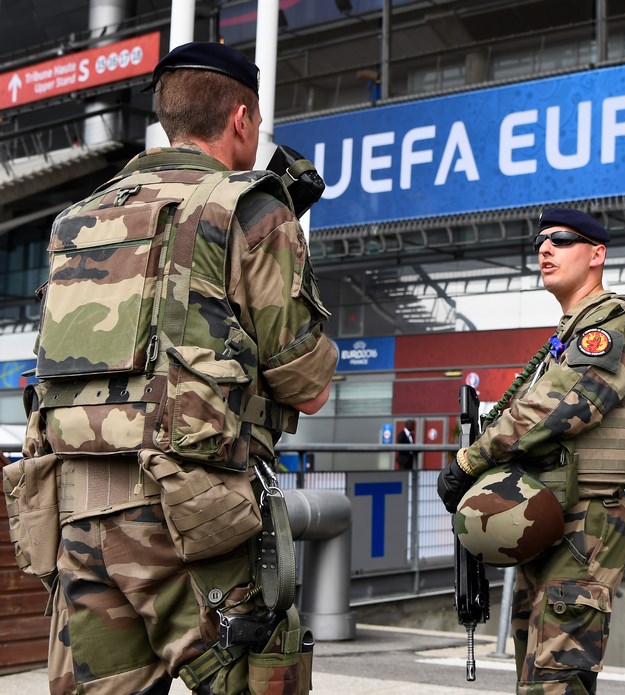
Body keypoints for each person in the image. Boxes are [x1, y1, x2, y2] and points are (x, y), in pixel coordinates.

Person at [20, 42, 338, 695]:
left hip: (79, 520)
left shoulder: (74, 221)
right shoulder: (252, 206)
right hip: (195, 519)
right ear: (242, 120)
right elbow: (306, 384)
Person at [436, 207, 625, 694]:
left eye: (561, 240)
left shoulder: (616, 320)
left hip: (586, 520)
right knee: (536, 671)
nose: (544, 249)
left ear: (597, 254)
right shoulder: (567, 335)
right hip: (549, 515)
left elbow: (560, 406)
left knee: (555, 678)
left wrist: (470, 461)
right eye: (540, 240)